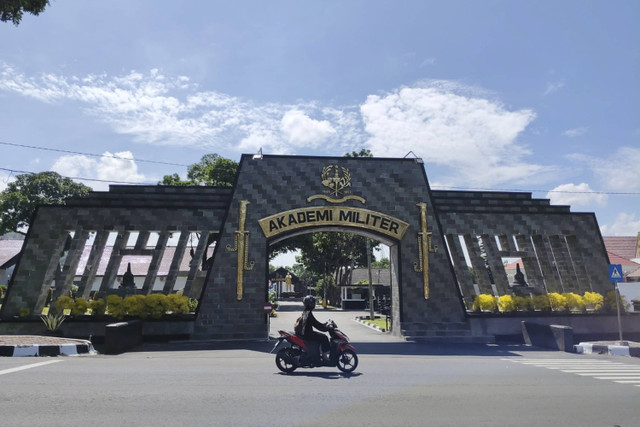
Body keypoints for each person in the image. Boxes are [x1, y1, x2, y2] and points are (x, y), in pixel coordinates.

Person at [299, 295, 331, 361]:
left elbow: (315, 323)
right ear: (310, 304)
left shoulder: (306, 312)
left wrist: (324, 325)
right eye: (313, 303)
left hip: (306, 333)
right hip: (307, 334)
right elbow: (316, 324)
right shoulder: (308, 313)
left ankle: (319, 354)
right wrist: (326, 328)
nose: (314, 305)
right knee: (324, 337)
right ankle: (324, 355)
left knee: (321, 337)